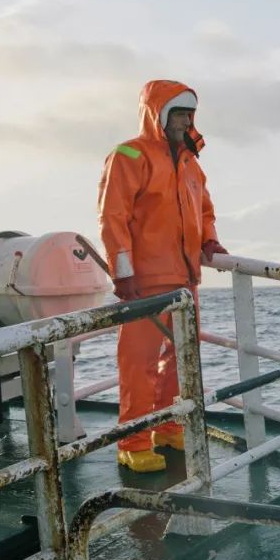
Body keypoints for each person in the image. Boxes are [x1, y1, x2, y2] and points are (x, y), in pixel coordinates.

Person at [98, 80, 227, 473]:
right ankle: (133, 441)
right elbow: (112, 217)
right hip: (145, 282)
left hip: (186, 281)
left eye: (190, 113)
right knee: (138, 362)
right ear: (158, 114)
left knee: (182, 358)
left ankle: (169, 426)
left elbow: (205, 211)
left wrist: (211, 243)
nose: (186, 120)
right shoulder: (128, 155)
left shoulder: (191, 164)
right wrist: (124, 275)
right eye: (179, 112)